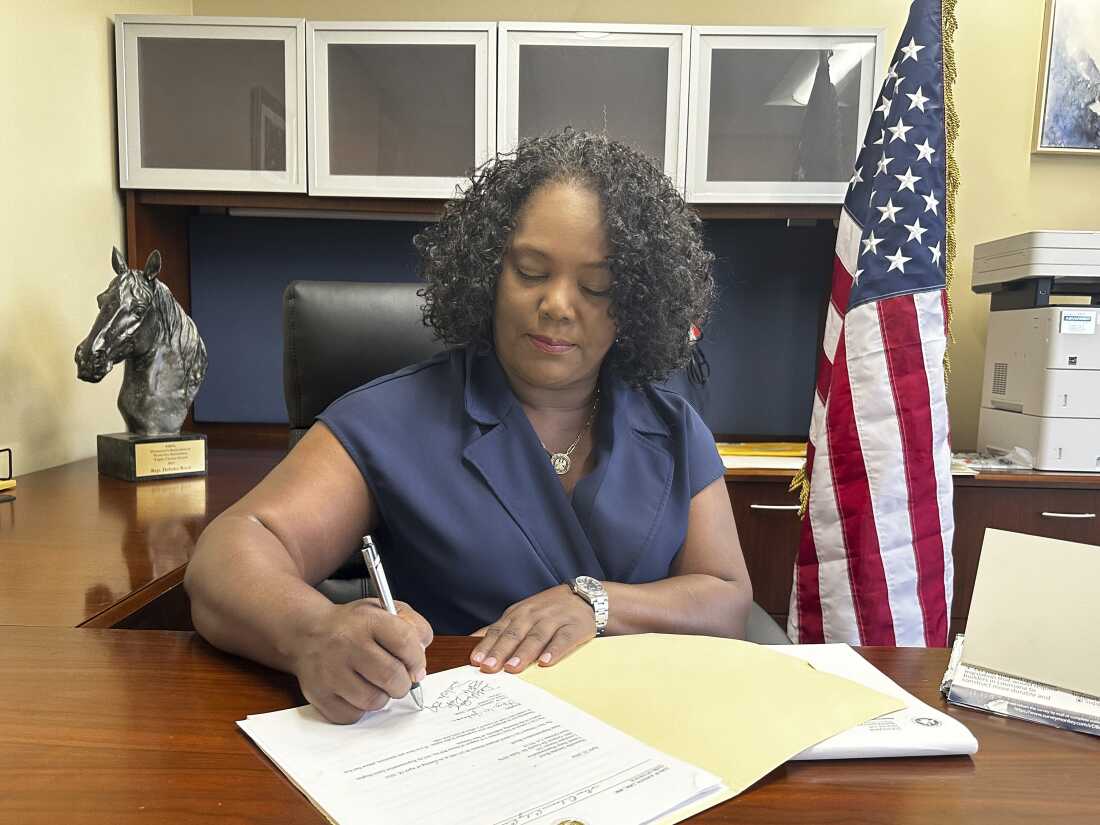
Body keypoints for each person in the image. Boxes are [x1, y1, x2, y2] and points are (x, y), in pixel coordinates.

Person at [185, 128, 752, 724]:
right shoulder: (392, 418)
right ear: (489, 274)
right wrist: (312, 631)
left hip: (650, 737)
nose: (559, 304)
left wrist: (599, 603)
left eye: (596, 286)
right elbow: (229, 555)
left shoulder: (673, 428)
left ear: (634, 301)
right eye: (531, 271)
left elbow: (726, 599)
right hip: (463, 745)